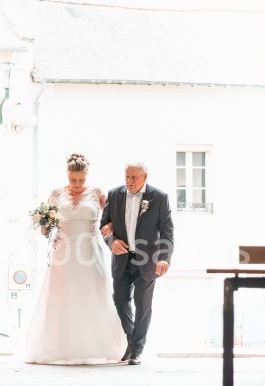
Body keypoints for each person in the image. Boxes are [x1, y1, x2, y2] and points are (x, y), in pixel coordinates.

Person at [22, 153, 129, 365]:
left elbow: (113, 219)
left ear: (86, 176)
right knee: (62, 294)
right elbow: (46, 228)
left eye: (81, 180)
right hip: (63, 250)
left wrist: (111, 227)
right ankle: (58, 347)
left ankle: (101, 346)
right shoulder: (55, 194)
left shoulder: (97, 193)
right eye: (73, 180)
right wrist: (44, 224)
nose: (77, 184)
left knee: (94, 292)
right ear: (67, 175)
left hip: (89, 250)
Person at [100, 161, 174, 365]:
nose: (129, 181)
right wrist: (111, 242)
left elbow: (167, 230)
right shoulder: (114, 195)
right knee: (120, 300)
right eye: (126, 177)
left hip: (147, 259)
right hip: (121, 259)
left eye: (134, 177)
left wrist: (164, 258)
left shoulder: (159, 197)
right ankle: (133, 342)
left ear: (145, 177)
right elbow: (104, 225)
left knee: (143, 305)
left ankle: (136, 350)